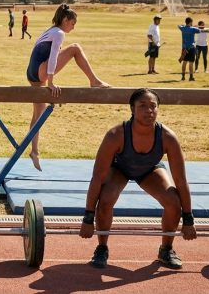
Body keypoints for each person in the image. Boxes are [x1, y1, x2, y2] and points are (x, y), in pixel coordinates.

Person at [79, 88, 196, 270]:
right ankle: (102, 248)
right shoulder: (115, 135)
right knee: (106, 199)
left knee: (173, 202)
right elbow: (97, 178)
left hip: (149, 169)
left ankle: (166, 249)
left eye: (153, 106)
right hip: (119, 169)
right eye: (142, 106)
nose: (149, 111)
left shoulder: (168, 137)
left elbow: (181, 181)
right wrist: (88, 218)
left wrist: (188, 219)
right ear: (132, 109)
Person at [26, 4, 110, 171]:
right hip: (40, 71)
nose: (73, 27)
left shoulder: (50, 30)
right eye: (72, 23)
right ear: (65, 20)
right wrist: (51, 82)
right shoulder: (59, 33)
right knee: (75, 48)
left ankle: (34, 151)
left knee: (38, 115)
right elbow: (52, 58)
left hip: (31, 73)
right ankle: (94, 80)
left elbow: (44, 54)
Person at [177, 17, 209, 81]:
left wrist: (184, 25)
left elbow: (178, 26)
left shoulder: (182, 28)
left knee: (184, 62)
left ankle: (183, 77)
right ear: (190, 22)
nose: (192, 23)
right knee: (191, 63)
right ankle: (191, 77)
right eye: (191, 22)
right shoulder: (193, 29)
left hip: (184, 48)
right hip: (191, 48)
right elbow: (203, 31)